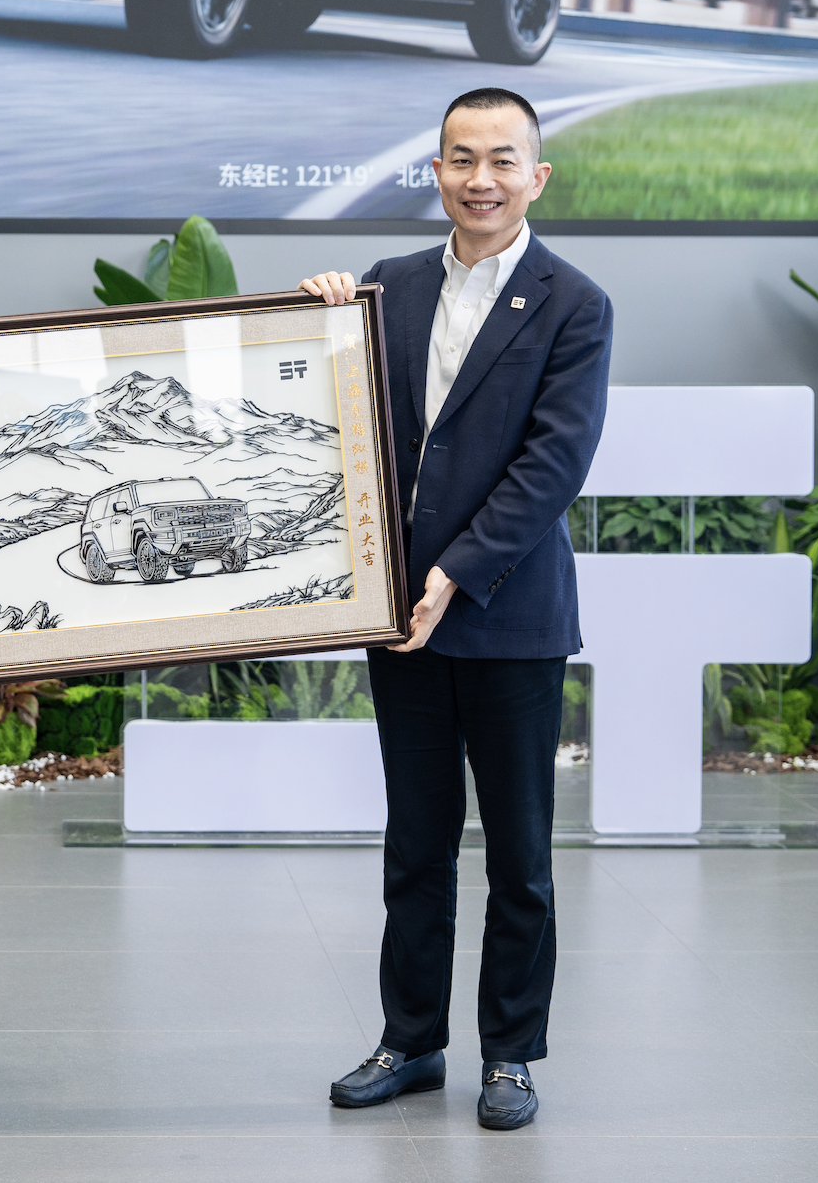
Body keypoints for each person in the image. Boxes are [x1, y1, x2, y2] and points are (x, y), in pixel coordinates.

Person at [299, 88, 612, 1130]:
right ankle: (412, 1040)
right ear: (434, 170)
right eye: (461, 158)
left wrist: (454, 573)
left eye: (502, 160)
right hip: (402, 619)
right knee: (416, 845)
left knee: (520, 855)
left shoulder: (574, 304)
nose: (481, 179)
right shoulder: (386, 286)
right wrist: (316, 322)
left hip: (506, 616)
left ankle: (511, 1056)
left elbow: (551, 465)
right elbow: (332, 419)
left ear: (537, 176)